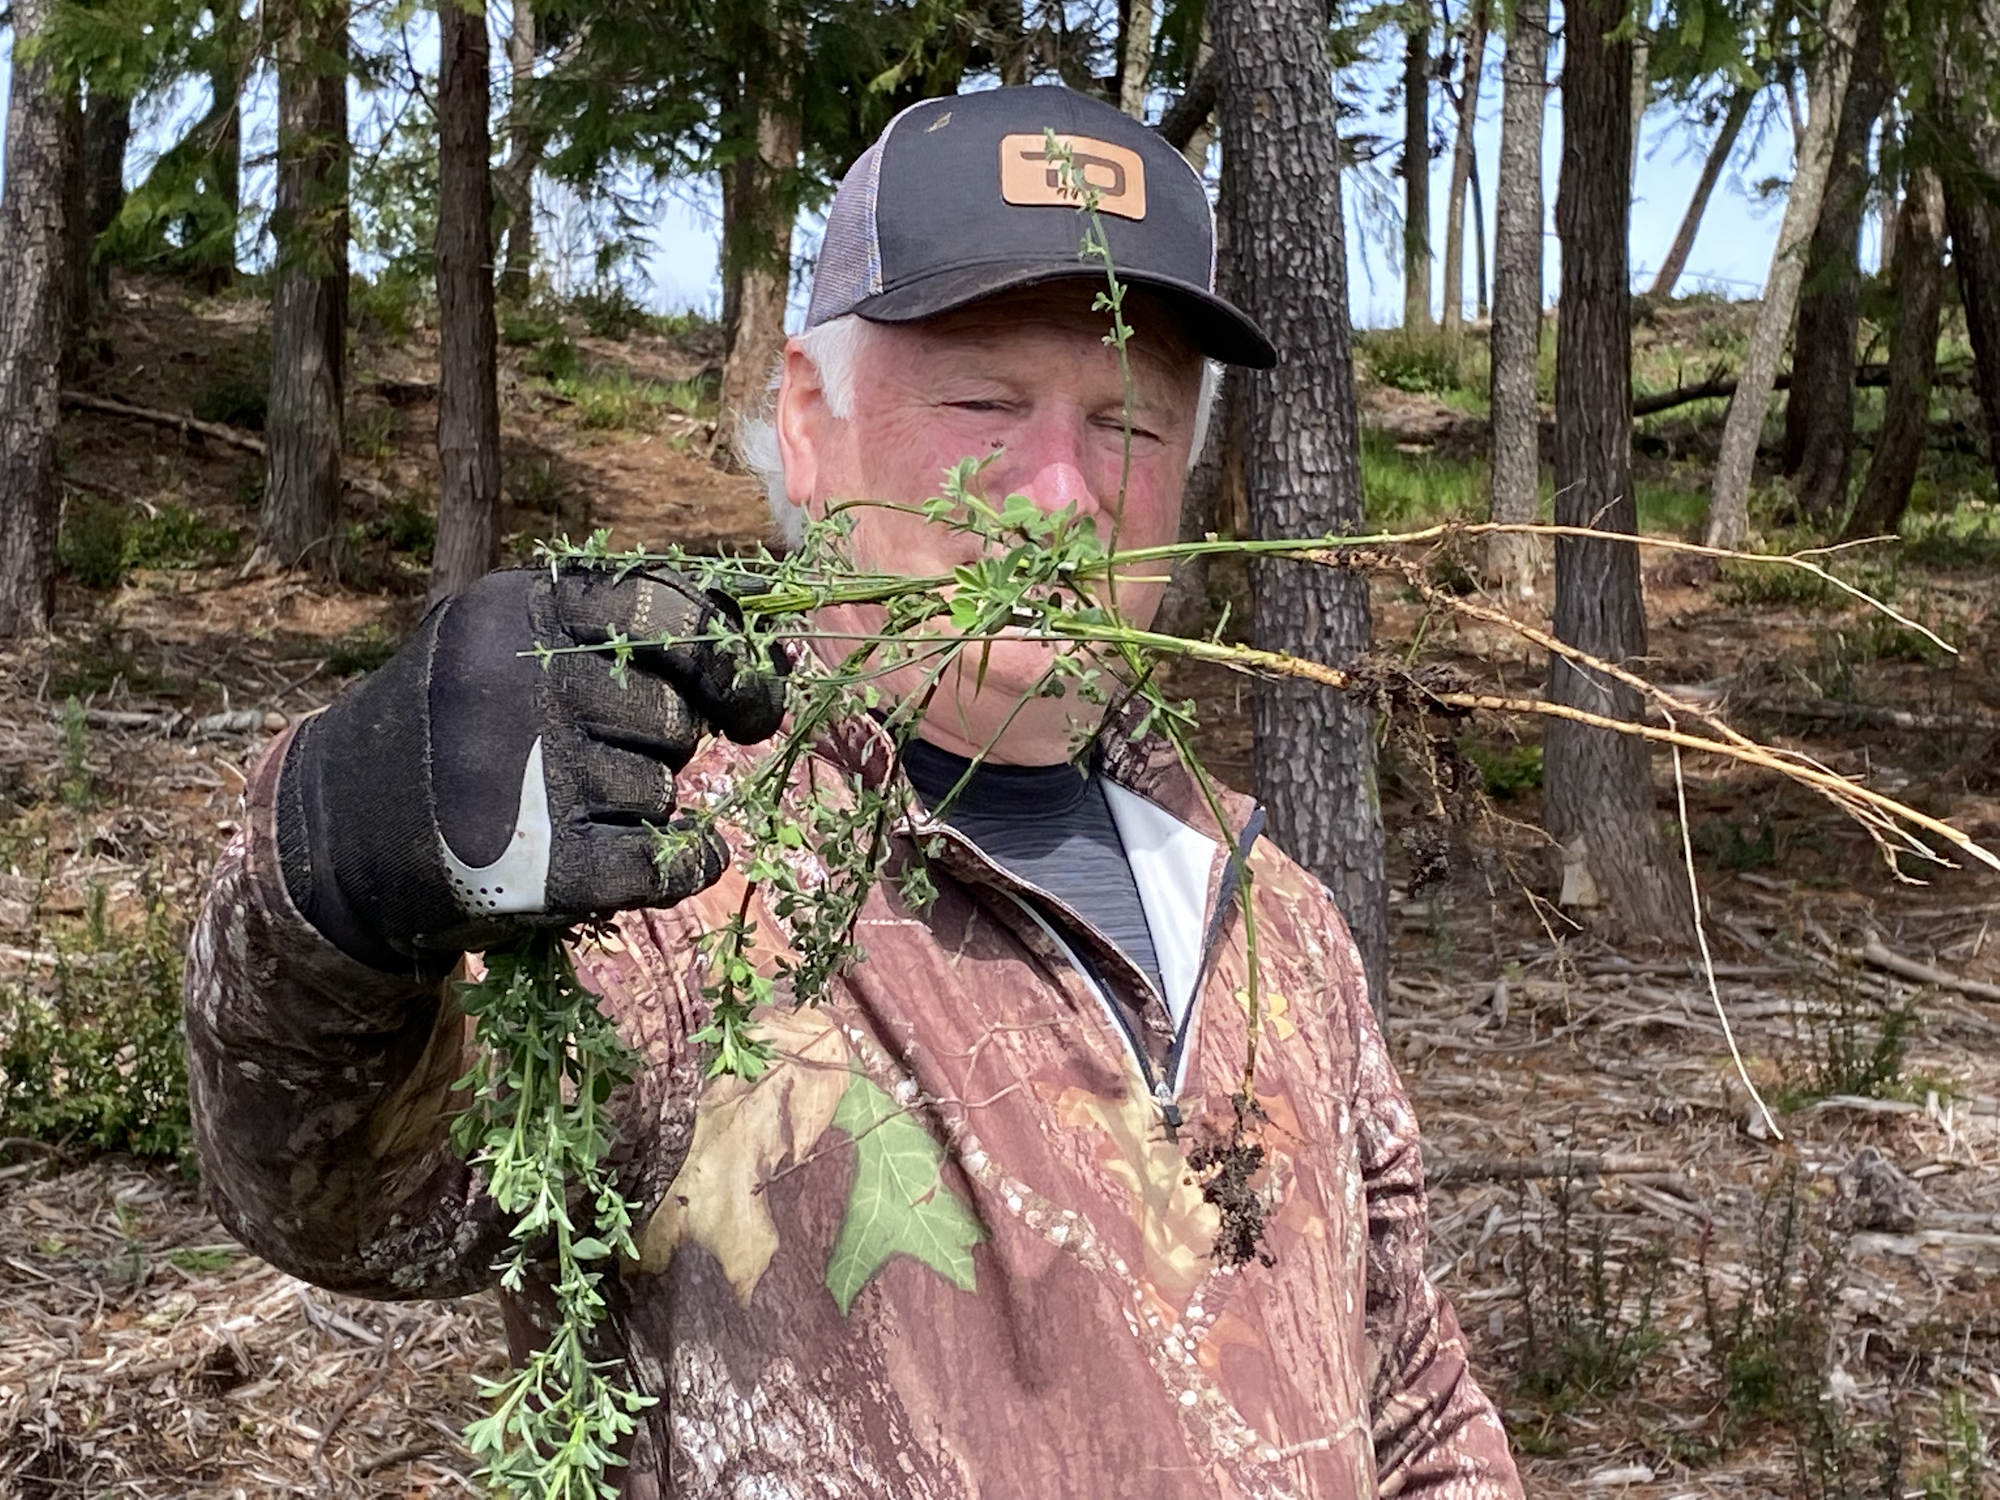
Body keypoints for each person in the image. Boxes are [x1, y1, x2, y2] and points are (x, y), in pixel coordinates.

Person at [185, 85, 1522, 1499]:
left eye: (1128, 425)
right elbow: (338, 1189)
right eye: (984, 402)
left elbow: (1412, 1391)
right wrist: (332, 864)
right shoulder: (667, 871)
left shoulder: (1267, 915)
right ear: (807, 425)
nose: (1061, 496)